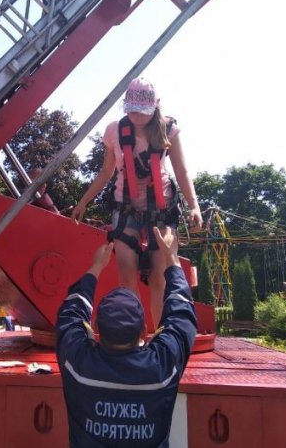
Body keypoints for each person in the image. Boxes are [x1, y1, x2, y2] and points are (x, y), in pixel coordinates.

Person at [71, 77, 202, 329]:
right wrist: (83, 201)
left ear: (155, 107)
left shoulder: (169, 130)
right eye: (131, 112)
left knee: (159, 278)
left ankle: (160, 338)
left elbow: (182, 171)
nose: (137, 118)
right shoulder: (114, 131)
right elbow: (106, 172)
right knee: (126, 275)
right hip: (125, 206)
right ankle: (134, 337)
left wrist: (193, 205)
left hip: (161, 209)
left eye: (143, 113)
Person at [56, 227, 197, 447]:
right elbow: (181, 312)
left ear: (95, 328)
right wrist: (171, 257)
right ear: (144, 332)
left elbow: (71, 311)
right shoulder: (161, 367)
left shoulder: (78, 364)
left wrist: (96, 267)